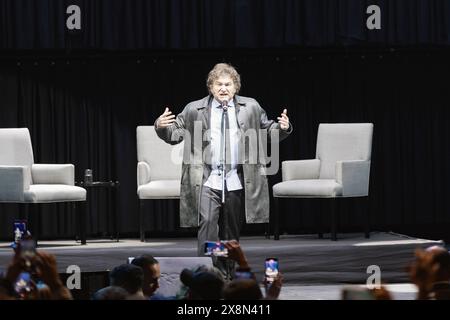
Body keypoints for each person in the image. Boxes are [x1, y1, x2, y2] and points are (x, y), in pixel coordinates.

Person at [155, 63, 292, 271]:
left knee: (231, 230)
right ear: (210, 87)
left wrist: (283, 127)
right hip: (207, 179)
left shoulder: (251, 107)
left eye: (228, 84)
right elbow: (175, 133)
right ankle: (206, 271)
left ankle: (227, 272)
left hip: (235, 178)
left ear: (236, 87)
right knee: (208, 224)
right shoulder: (194, 108)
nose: (223, 88)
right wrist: (161, 126)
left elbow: (267, 129)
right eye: (218, 84)